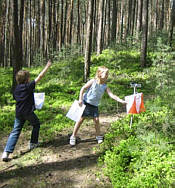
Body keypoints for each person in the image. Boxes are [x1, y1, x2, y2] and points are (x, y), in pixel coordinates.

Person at [1, 61, 52, 162]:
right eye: (28, 77)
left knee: (15, 131)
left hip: (18, 113)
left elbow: (17, 99)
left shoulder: (16, 89)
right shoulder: (27, 87)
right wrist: (47, 66)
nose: (30, 79)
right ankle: (33, 144)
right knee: (36, 124)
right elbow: (40, 77)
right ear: (26, 79)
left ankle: (6, 152)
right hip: (28, 112)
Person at [69, 66, 126, 146]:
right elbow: (83, 88)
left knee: (96, 120)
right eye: (105, 74)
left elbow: (112, 95)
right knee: (80, 120)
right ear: (99, 74)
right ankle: (73, 136)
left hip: (94, 105)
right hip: (86, 103)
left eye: (107, 74)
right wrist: (80, 99)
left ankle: (98, 136)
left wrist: (121, 100)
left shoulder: (105, 86)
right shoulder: (93, 81)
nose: (107, 76)